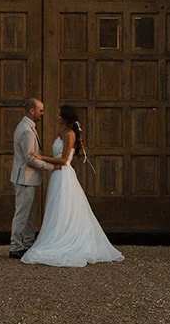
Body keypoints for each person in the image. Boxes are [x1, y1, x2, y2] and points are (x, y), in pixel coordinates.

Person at [21, 104, 124, 267]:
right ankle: (56, 234)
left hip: (64, 175)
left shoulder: (69, 134)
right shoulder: (61, 133)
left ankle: (66, 239)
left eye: (59, 114)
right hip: (56, 176)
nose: (56, 116)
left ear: (64, 116)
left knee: (64, 207)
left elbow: (63, 161)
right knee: (56, 208)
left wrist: (41, 157)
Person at [9, 98, 53, 258]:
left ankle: (27, 244)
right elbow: (29, 158)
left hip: (28, 179)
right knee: (22, 214)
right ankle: (15, 247)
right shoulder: (26, 130)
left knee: (29, 215)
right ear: (32, 111)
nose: (42, 113)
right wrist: (50, 167)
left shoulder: (27, 127)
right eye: (41, 110)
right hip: (24, 180)